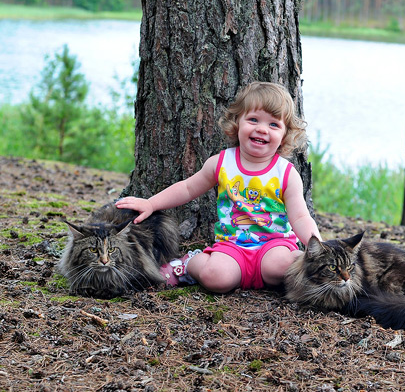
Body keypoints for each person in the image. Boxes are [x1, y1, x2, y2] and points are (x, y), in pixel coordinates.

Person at [116, 81, 321, 293]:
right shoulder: (222, 163)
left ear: (285, 134)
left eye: (273, 125)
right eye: (253, 120)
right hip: (232, 248)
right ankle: (188, 264)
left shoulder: (286, 173)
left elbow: (300, 218)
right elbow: (187, 188)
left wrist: (321, 247)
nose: (261, 129)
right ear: (237, 122)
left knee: (284, 267)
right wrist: (151, 203)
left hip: (274, 245)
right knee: (216, 278)